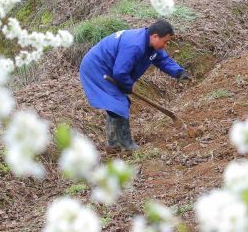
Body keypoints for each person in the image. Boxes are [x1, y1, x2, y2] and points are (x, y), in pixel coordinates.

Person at [79, 20, 192, 151]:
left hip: (110, 67)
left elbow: (163, 60)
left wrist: (179, 72)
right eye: (165, 41)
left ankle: (113, 144)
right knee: (119, 103)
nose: (166, 45)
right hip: (97, 67)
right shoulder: (135, 45)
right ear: (155, 36)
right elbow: (120, 72)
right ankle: (126, 145)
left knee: (116, 103)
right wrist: (127, 85)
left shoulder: (151, 44)